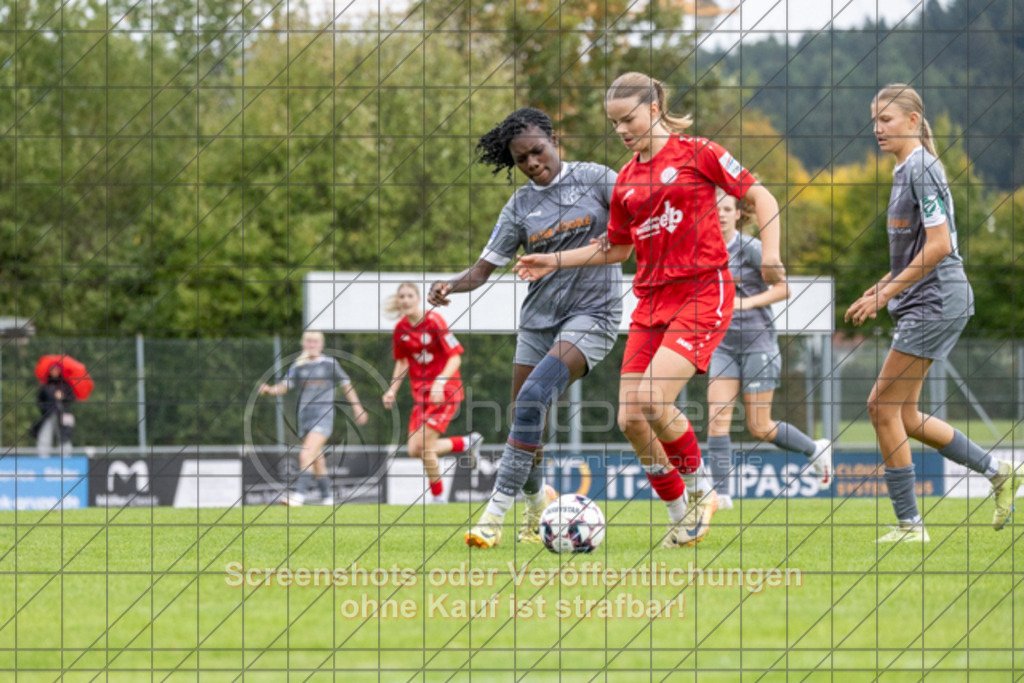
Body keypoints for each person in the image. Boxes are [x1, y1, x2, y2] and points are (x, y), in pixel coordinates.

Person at [516, 72, 785, 548]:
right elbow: (614, 249)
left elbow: (761, 196)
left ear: (654, 109)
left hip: (703, 292)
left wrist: (769, 253)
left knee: (655, 401)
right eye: (614, 122)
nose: (621, 129)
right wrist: (551, 260)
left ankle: (704, 490)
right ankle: (680, 512)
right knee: (631, 420)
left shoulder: (699, 153)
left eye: (628, 119)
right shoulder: (626, 181)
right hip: (650, 301)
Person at [426, 107, 623, 547]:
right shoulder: (519, 205)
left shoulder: (596, 178)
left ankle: (492, 518)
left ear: (556, 140)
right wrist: (448, 286)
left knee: (534, 397)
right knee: (525, 416)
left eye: (538, 151)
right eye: (522, 160)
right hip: (537, 324)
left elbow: (640, 213)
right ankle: (537, 506)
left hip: (593, 315)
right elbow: (481, 271)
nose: (533, 163)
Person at [845, 83, 1021, 542]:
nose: (877, 128)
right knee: (903, 414)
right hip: (926, 301)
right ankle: (999, 471)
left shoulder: (921, 167)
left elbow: (941, 246)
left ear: (913, 121)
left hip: (937, 301)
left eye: (886, 119)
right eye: (874, 120)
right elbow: (916, 252)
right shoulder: (905, 169)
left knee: (880, 407)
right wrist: (883, 286)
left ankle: (910, 526)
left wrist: (887, 295)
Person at [705, 188, 832, 510]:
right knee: (717, 421)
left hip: (757, 343)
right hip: (721, 346)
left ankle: (814, 448)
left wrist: (745, 303)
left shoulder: (750, 249)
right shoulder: (702, 250)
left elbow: (783, 288)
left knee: (759, 427)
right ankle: (721, 495)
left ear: (738, 214)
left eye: (727, 208)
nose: (719, 213)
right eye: (714, 209)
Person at [382, 282, 483, 504]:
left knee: (426, 447)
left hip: (445, 392)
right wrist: (392, 389)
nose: (405, 300)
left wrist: (440, 381)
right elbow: (402, 362)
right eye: (402, 297)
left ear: (418, 298)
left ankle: (438, 499)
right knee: (414, 450)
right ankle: (466, 443)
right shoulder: (400, 329)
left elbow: (455, 356)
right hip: (421, 396)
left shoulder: (435, 322)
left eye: (409, 296)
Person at [259, 331, 368, 506]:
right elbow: (285, 386)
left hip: (323, 416)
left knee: (306, 453)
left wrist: (357, 407)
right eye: (308, 341)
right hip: (304, 419)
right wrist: (270, 390)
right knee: (317, 459)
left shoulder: (330, 364)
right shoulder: (299, 365)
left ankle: (299, 496)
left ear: (321, 344)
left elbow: (346, 385)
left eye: (315, 342)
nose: (312, 345)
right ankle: (327, 498)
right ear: (304, 344)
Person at [32, 363, 76, 458]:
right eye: (53, 369)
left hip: (63, 416)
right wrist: (45, 409)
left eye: (56, 369)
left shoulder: (65, 385)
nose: (54, 372)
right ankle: (42, 459)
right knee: (44, 437)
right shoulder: (45, 386)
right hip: (48, 415)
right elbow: (39, 401)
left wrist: (63, 397)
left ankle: (66, 459)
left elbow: (72, 399)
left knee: (64, 438)